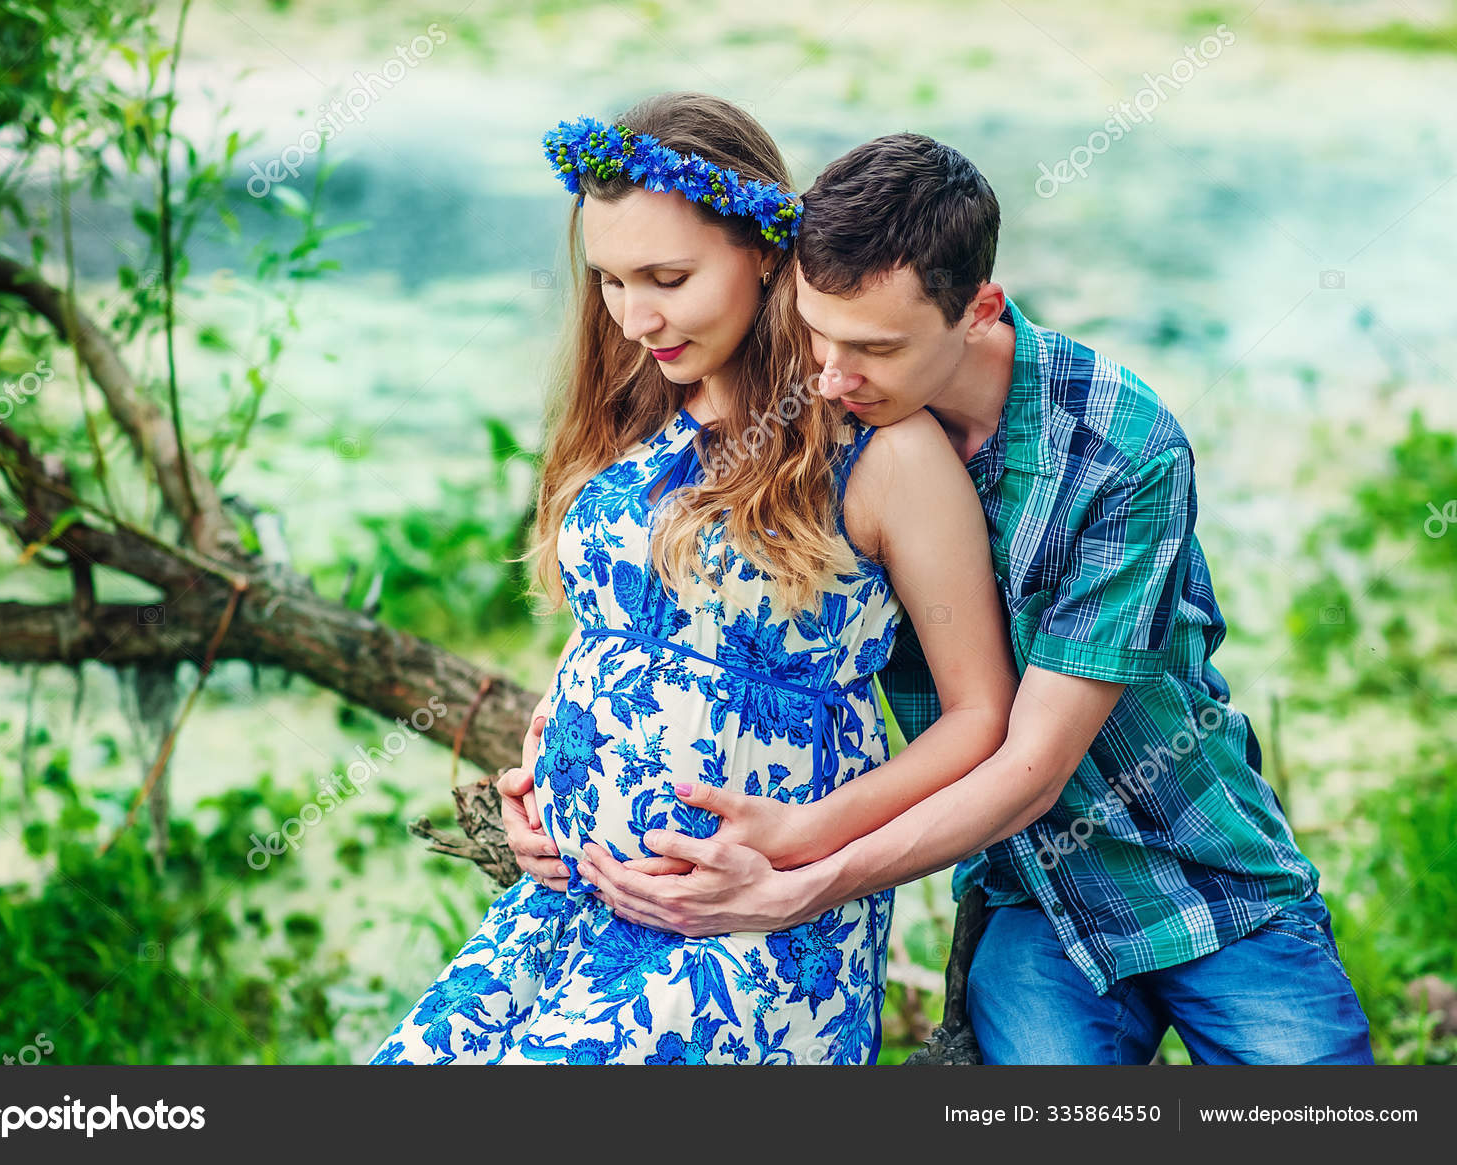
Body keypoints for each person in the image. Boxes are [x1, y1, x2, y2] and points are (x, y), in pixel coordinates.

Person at [522, 131, 1374, 1065]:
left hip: (1196, 869)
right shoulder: (825, 415)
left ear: (979, 310)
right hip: (1031, 892)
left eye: (874, 348)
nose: (832, 376)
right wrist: (561, 754)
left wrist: (808, 875)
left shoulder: (1118, 449)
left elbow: (1028, 760)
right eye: (817, 333)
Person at [368, 95, 1016, 1065]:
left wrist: (803, 848)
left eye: (667, 278)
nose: (635, 318)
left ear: (764, 250)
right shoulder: (640, 406)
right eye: (611, 282)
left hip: (738, 934)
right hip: (567, 902)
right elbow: (623, 627)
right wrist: (545, 768)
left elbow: (979, 716)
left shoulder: (883, 455)